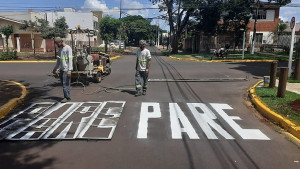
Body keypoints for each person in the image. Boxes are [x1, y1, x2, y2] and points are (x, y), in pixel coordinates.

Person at [52, 37, 73, 103]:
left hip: (66, 70)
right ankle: (67, 96)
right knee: (63, 84)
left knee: (65, 84)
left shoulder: (68, 48)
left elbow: (70, 60)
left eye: (57, 43)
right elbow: (58, 61)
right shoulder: (60, 49)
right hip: (61, 69)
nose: (57, 45)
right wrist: (55, 69)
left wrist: (69, 70)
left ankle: (66, 97)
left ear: (61, 42)